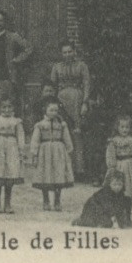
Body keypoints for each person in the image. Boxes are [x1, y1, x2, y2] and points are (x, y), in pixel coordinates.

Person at [47, 42, 91, 173]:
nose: (67, 55)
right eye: (64, 52)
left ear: (74, 52)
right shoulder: (57, 67)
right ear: (61, 54)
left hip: (77, 101)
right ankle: (63, 170)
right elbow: (52, 86)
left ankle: (79, 169)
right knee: (63, 131)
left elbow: (87, 84)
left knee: (76, 132)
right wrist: (52, 104)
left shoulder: (81, 66)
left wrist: (85, 102)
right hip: (61, 101)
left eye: (69, 51)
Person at [28, 99, 75, 212]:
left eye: (56, 110)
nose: (54, 112)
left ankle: (57, 201)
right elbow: (35, 140)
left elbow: (67, 138)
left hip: (59, 151)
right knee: (45, 175)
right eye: (51, 110)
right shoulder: (40, 125)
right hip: (45, 152)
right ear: (45, 111)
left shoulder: (62, 125)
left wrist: (69, 150)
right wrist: (34, 153)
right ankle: (46, 200)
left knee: (58, 174)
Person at [104, 115, 132, 202]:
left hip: (130, 164)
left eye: (127, 127)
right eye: (122, 127)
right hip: (118, 164)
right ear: (117, 128)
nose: (124, 130)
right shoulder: (114, 141)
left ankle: (129, 193)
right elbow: (110, 155)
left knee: (130, 181)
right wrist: (111, 167)